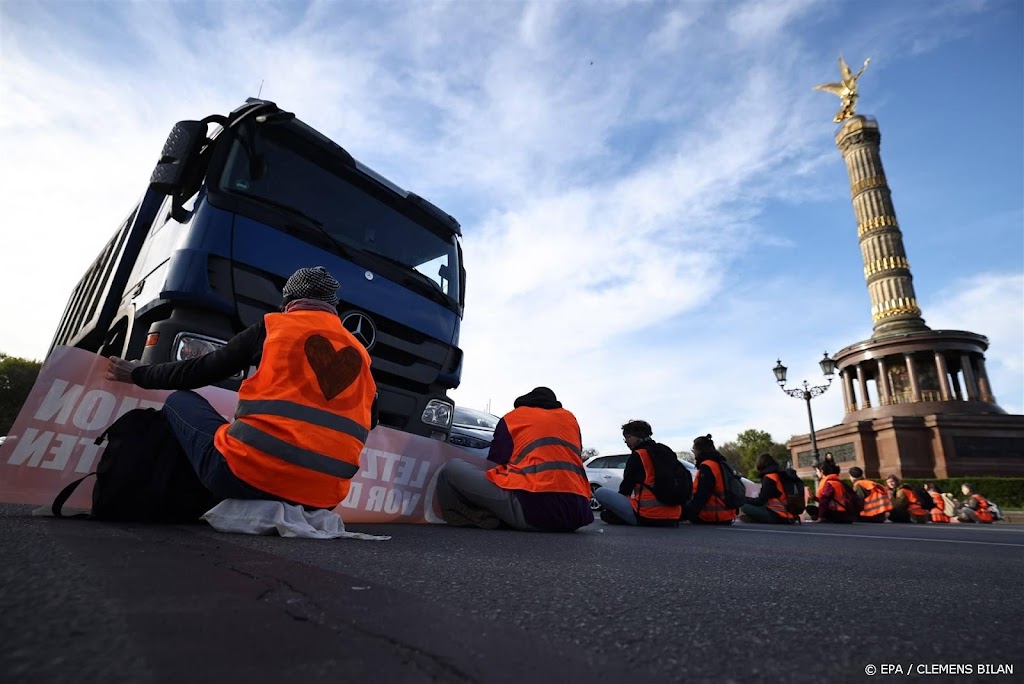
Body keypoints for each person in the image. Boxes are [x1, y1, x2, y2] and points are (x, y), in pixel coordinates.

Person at [105, 266, 378, 510]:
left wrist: (138, 373)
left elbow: (197, 371)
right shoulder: (361, 354)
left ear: (287, 301)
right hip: (323, 500)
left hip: (245, 478)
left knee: (180, 400)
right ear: (333, 307)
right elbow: (372, 420)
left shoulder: (275, 326)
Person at [434, 387, 594, 532]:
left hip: (535, 511)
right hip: (578, 513)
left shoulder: (514, 417)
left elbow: (495, 462)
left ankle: (472, 517)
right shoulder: (570, 419)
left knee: (451, 469)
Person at [593, 420, 686, 527]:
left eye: (628, 437)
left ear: (638, 436)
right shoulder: (666, 451)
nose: (626, 442)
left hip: (647, 516)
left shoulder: (639, 455)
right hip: (673, 517)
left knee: (600, 492)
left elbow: (626, 488)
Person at [683, 434, 736, 525]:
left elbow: (702, 495)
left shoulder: (707, 466)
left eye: (694, 450)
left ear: (699, 450)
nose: (694, 453)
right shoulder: (722, 464)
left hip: (711, 516)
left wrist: (686, 515)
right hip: (727, 515)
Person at [739, 453, 795, 524]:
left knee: (744, 506)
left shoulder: (769, 478)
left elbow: (760, 501)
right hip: (788, 513)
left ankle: (756, 519)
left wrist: (743, 499)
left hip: (777, 515)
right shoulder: (780, 475)